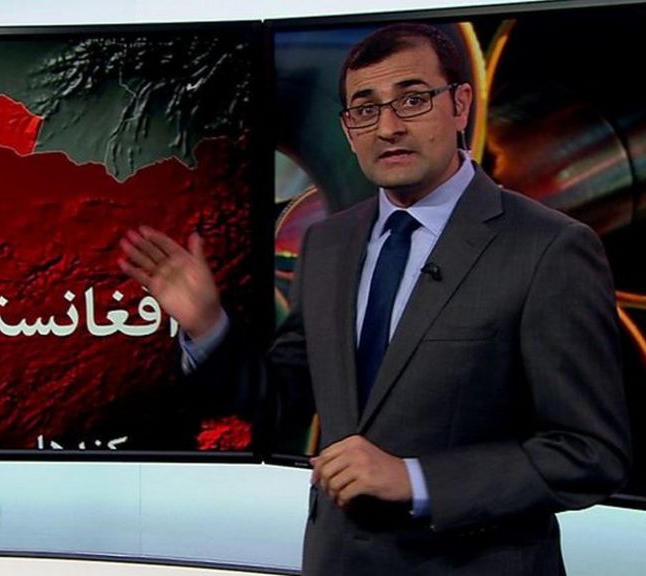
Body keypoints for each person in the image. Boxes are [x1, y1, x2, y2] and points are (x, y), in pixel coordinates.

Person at [119, 23, 631, 576]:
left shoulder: (548, 247)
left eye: (413, 100)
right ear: (348, 129)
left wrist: (416, 479)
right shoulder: (328, 243)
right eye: (365, 109)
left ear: (460, 104)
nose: (388, 127)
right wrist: (208, 326)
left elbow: (589, 454)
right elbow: (285, 398)